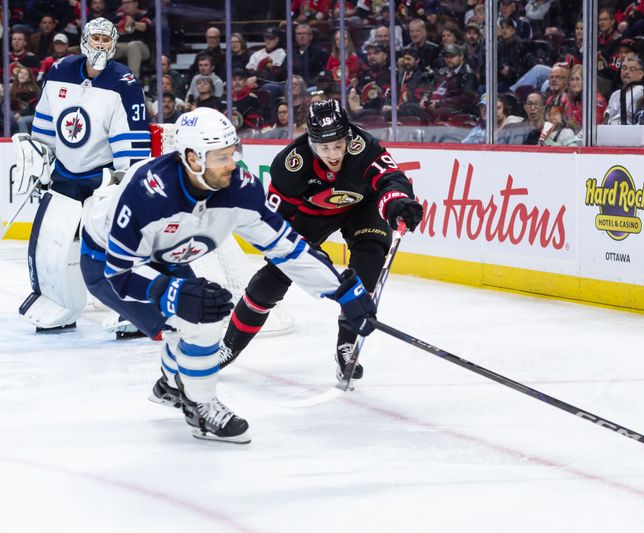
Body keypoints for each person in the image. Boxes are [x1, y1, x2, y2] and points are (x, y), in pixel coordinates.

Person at [79, 107, 377, 443]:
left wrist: (342, 291)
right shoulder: (146, 194)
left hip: (168, 253)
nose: (232, 164)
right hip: (107, 263)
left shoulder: (239, 189)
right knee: (200, 317)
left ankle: (169, 385)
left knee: (190, 318)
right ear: (192, 158)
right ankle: (201, 407)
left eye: (232, 153)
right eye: (221, 157)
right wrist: (171, 292)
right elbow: (119, 273)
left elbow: (286, 248)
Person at [219, 99, 423, 383]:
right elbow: (274, 225)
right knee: (273, 278)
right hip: (311, 216)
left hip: (362, 208)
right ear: (312, 143)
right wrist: (306, 251)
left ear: (348, 136)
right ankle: (229, 345)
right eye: (325, 147)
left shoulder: (364, 147)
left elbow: (392, 179)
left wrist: (397, 202)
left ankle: (346, 344)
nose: (334, 154)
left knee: (370, 257)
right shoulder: (291, 164)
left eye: (339, 144)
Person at [18, 17, 149, 333]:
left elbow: (129, 138)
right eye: (97, 38)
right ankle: (58, 300)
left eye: (107, 39)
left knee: (111, 244)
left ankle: (129, 307)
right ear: (86, 41)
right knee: (50, 241)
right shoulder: (61, 70)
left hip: (101, 178)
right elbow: (46, 123)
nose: (102, 45)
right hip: (64, 172)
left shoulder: (124, 83)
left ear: (114, 42)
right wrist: (40, 159)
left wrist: (123, 179)